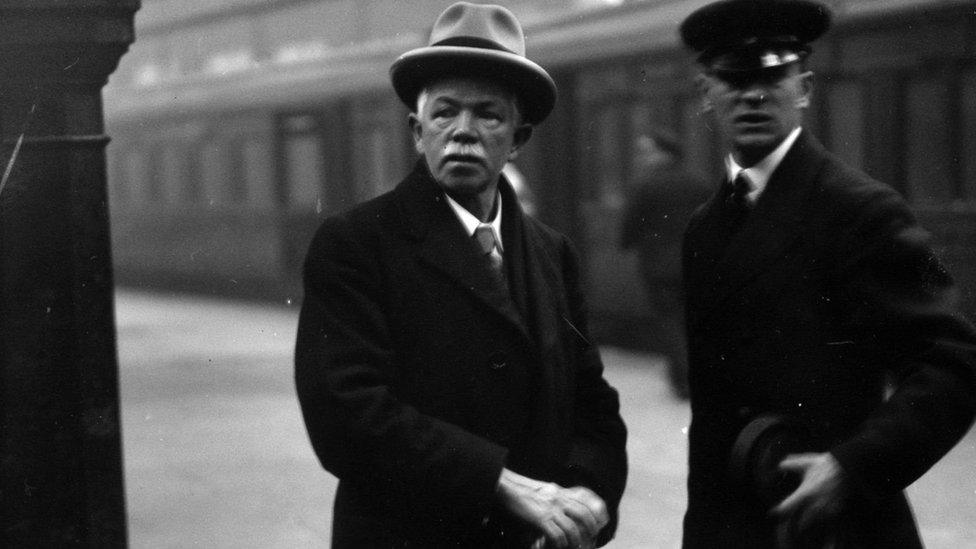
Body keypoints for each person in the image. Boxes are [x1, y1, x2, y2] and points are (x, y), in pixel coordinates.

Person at [294, 3, 627, 548]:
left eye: (489, 115)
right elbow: (345, 415)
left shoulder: (551, 252)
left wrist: (589, 493)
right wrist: (496, 481)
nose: (463, 132)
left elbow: (592, 402)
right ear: (416, 131)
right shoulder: (356, 243)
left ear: (519, 139)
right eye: (445, 112)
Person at [677, 0, 976, 547]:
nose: (753, 95)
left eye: (773, 76)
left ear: (806, 87)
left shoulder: (863, 211)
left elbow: (954, 362)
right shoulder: (705, 227)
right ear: (705, 95)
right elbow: (712, 420)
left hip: (838, 525)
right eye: (732, 79)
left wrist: (853, 468)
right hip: (734, 525)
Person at [620, 129, 712, 399]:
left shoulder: (645, 183)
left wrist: (627, 242)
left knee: (670, 323)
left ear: (664, 153)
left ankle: (684, 381)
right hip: (696, 261)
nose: (642, 158)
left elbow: (630, 224)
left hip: (659, 266)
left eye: (647, 152)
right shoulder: (699, 180)